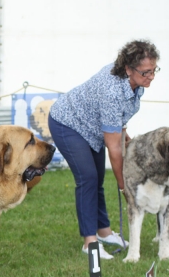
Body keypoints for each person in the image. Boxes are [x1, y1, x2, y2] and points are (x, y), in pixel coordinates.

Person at [48, 40, 160, 259]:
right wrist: (124, 186)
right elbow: (114, 149)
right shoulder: (111, 90)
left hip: (93, 128)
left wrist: (123, 131)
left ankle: (104, 232)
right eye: (146, 72)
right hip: (68, 124)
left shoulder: (135, 83)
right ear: (128, 69)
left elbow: (119, 118)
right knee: (88, 178)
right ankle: (89, 243)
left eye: (154, 70)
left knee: (97, 179)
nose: (151, 76)